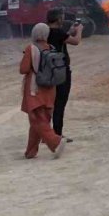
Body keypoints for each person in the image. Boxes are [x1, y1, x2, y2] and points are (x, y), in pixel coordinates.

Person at [21, 23, 67, 159]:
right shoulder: (51, 48)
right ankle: (31, 151)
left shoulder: (31, 48)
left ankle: (55, 141)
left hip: (35, 89)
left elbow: (23, 69)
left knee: (36, 118)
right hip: (50, 89)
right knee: (41, 119)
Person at [46, 8, 82, 142]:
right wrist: (79, 31)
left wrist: (69, 32)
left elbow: (60, 40)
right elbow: (76, 41)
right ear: (58, 19)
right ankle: (56, 134)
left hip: (47, 72)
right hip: (61, 72)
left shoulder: (45, 31)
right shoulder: (58, 32)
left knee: (49, 103)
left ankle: (46, 133)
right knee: (60, 103)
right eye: (62, 17)